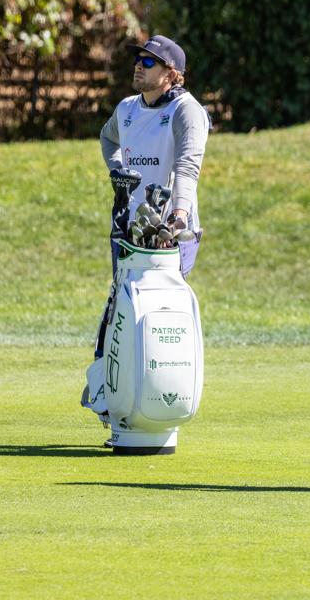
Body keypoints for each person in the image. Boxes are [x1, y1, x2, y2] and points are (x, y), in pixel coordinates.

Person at [80, 34, 211, 424]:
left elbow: (188, 166)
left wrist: (181, 215)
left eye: (150, 62)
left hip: (171, 232)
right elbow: (108, 139)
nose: (139, 64)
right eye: (139, 58)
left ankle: (155, 399)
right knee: (121, 308)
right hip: (127, 230)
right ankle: (114, 400)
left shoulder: (188, 111)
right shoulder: (126, 109)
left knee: (157, 312)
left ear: (173, 75)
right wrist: (117, 171)